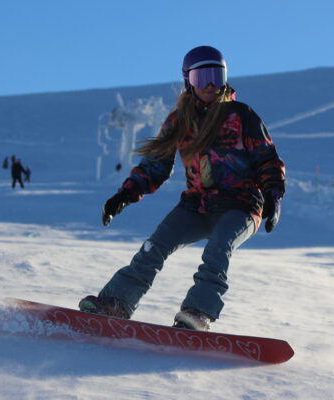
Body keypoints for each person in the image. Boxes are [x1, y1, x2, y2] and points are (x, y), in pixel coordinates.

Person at [79, 46, 285, 331]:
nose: (212, 85)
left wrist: (273, 196)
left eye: (217, 76)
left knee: (218, 249)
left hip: (241, 205)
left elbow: (267, 158)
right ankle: (115, 303)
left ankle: (197, 313)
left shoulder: (241, 115)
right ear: (189, 80)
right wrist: (124, 196)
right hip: (197, 204)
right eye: (203, 78)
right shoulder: (179, 121)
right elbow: (155, 167)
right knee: (153, 247)